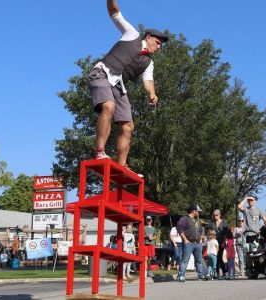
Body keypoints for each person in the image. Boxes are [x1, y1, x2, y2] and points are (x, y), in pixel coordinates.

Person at [89, 0, 168, 175]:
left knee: (128, 126)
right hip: (102, 73)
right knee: (108, 106)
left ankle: (122, 166)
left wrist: (152, 94)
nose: (160, 46)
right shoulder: (132, 34)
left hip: (118, 85)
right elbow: (115, 13)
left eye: (162, 45)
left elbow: (148, 81)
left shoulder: (149, 63)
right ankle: (100, 152)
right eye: (158, 42)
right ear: (148, 37)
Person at [177, 204, 205, 282]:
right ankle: (181, 275)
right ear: (194, 211)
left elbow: (200, 231)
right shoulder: (185, 219)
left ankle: (200, 275)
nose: (199, 213)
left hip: (198, 244)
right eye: (198, 211)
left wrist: (200, 238)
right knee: (185, 260)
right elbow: (180, 229)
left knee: (199, 260)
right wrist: (185, 240)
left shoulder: (198, 220)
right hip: (189, 243)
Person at [207, 209, 228, 278]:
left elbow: (225, 234)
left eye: (216, 215)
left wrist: (223, 242)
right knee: (215, 259)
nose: (215, 216)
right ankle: (217, 274)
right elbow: (208, 231)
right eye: (214, 215)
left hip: (221, 242)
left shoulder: (224, 222)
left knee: (219, 257)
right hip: (213, 243)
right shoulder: (211, 223)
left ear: (219, 215)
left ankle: (224, 273)